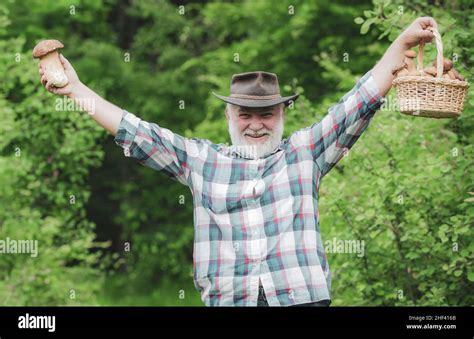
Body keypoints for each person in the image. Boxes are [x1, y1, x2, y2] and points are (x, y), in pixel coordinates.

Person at [39, 17, 438, 306]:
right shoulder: (200, 160)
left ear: (282, 116)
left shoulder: (305, 153)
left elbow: (359, 101)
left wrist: (400, 45)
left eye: (266, 114)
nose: (256, 124)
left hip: (301, 300)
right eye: (245, 114)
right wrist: (75, 89)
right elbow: (134, 129)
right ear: (229, 117)